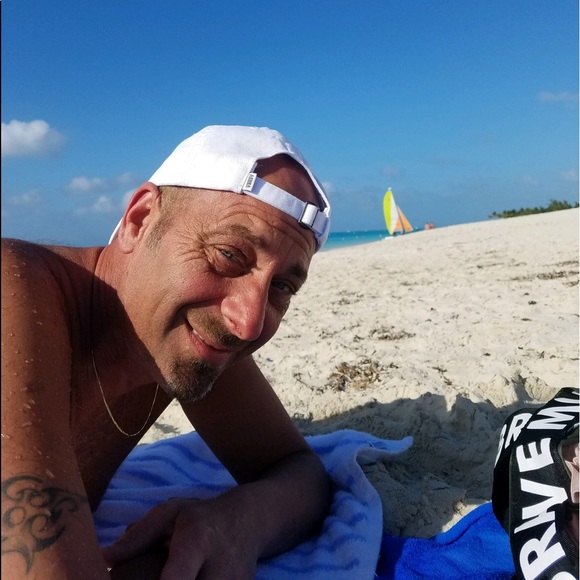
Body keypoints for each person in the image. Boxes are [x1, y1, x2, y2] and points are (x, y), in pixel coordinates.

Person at [1, 125, 332, 579]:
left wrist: (236, 524)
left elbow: (299, 473)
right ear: (139, 220)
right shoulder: (15, 294)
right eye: (228, 255)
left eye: (282, 287)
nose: (248, 323)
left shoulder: (178, 340)